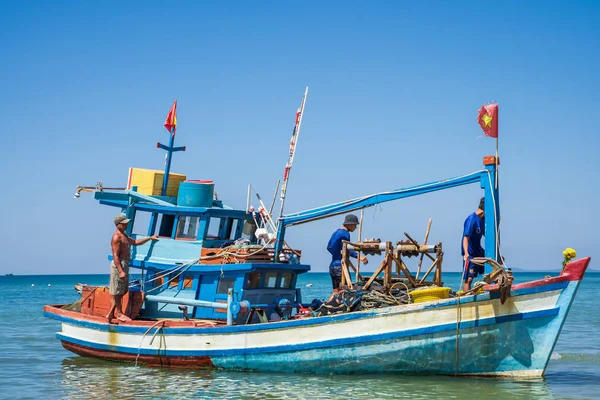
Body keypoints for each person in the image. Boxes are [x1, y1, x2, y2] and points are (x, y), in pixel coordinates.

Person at [107, 214, 159, 322]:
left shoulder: (124, 236)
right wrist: (121, 271)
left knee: (123, 290)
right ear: (118, 224)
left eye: (127, 223)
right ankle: (120, 313)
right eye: (124, 223)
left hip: (125, 264)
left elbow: (135, 242)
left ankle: (110, 313)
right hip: (119, 265)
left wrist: (150, 238)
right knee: (118, 291)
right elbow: (115, 256)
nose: (126, 225)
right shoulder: (116, 237)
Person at [327, 214, 368, 294]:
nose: (355, 227)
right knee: (345, 290)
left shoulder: (336, 233)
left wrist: (337, 253)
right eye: (355, 225)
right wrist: (360, 257)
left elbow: (329, 247)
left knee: (336, 291)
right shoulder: (345, 233)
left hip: (333, 265)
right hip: (340, 266)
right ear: (349, 224)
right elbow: (346, 249)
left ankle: (328, 306)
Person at [462, 197, 485, 292]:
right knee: (469, 279)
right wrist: (466, 253)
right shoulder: (471, 219)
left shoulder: (483, 220)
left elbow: (488, 235)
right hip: (470, 253)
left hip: (479, 251)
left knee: (493, 268)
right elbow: (465, 237)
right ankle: (466, 299)